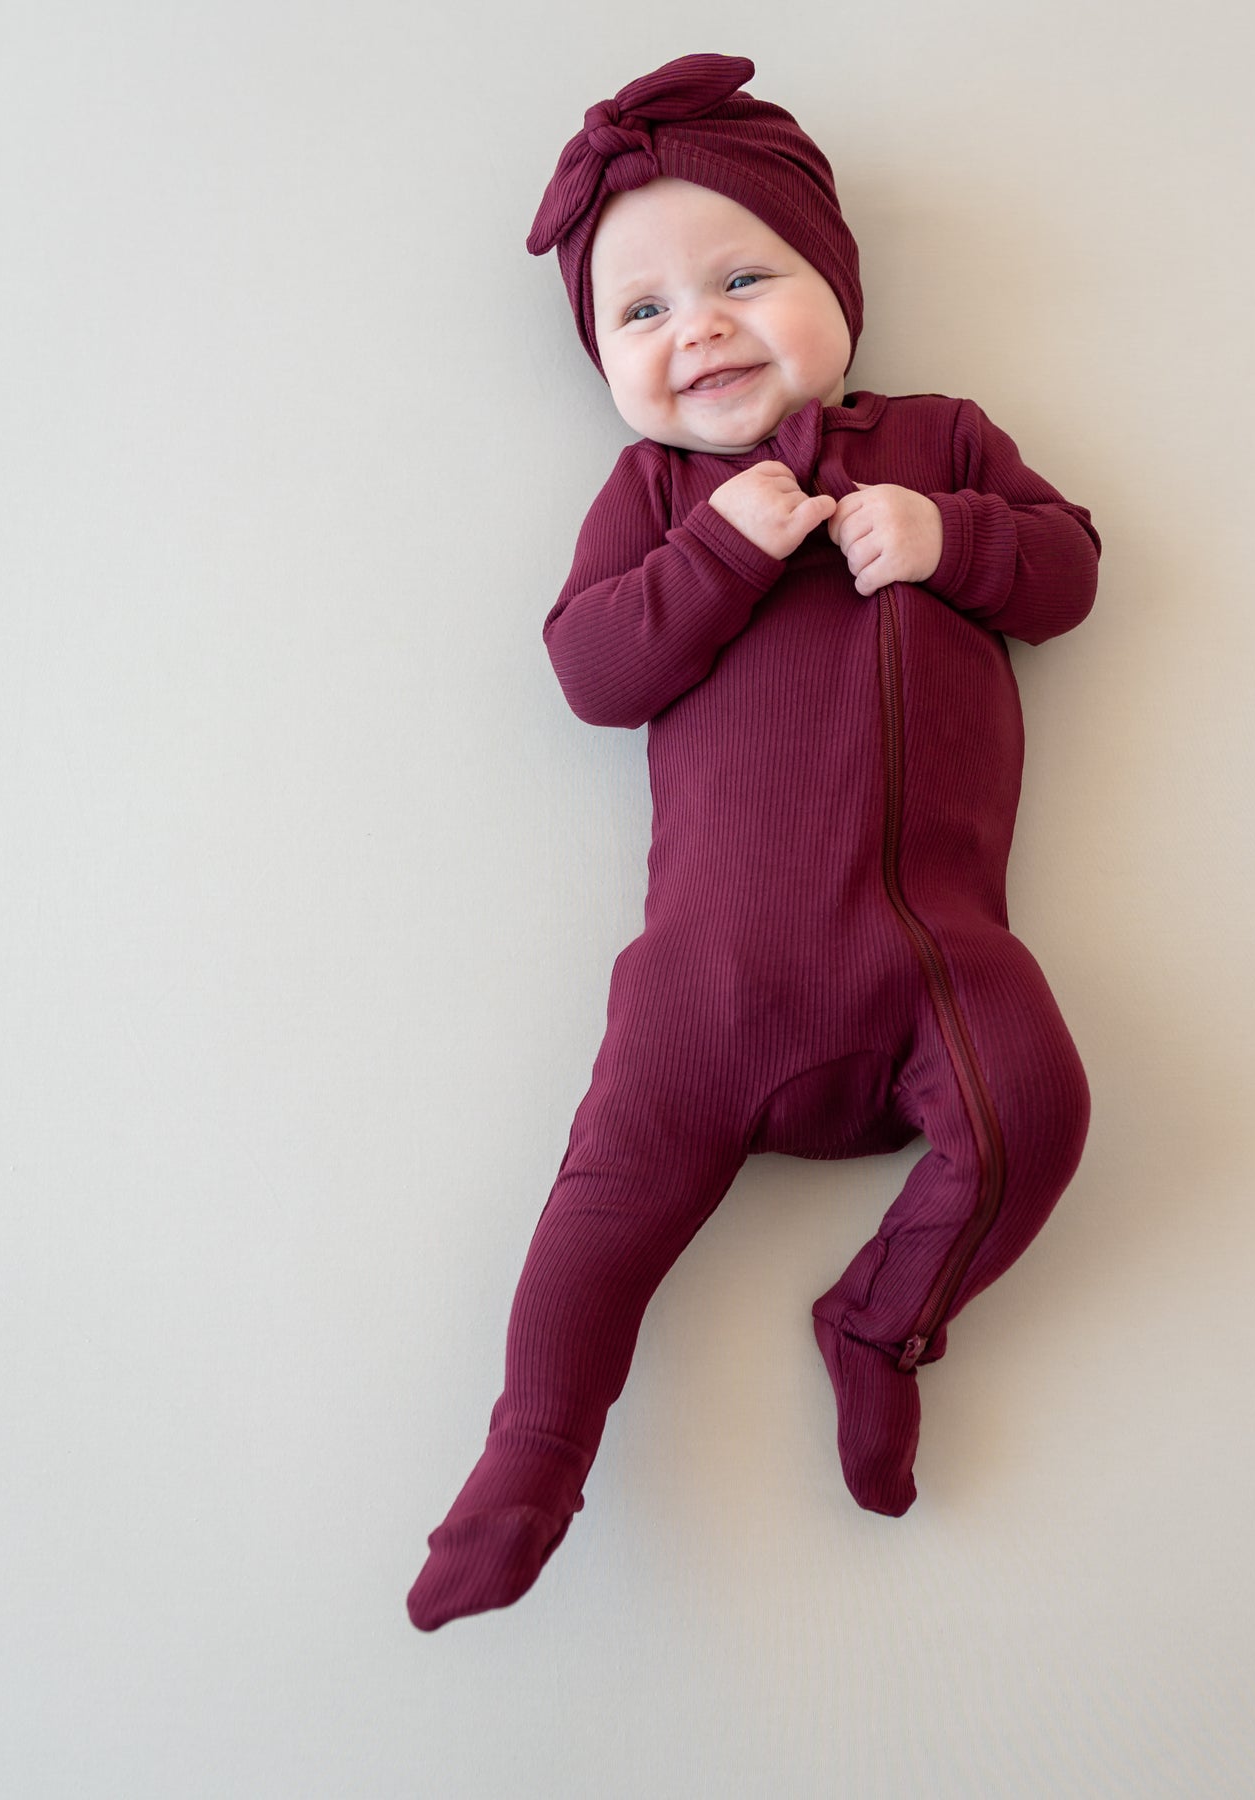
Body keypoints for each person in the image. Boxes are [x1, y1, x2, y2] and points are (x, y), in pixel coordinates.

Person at [408, 51, 1101, 1630]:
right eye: (639, 314)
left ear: (832, 285)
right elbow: (591, 670)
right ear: (601, 361)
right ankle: (531, 1454)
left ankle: (879, 1321)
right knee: (599, 1216)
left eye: (742, 278)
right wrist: (720, 554)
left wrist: (954, 541)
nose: (697, 326)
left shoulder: (941, 439)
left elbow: (1070, 575)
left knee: (1040, 1111)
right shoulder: (656, 494)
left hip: (936, 959)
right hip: (713, 986)